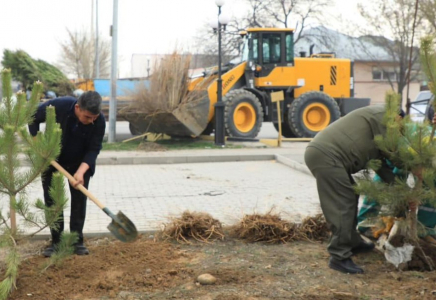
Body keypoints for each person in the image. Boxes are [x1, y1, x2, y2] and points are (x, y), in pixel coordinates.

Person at [304, 105, 403, 274]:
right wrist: (414, 167)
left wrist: (401, 188)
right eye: (401, 127)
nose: (400, 132)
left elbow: (381, 166)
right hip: (327, 155)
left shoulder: (377, 131)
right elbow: (393, 152)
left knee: (350, 194)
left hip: (328, 156)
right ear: (398, 117)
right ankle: (339, 256)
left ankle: (353, 242)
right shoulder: (383, 115)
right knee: (342, 205)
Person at [29, 91, 106, 257]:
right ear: (78, 108)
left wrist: (81, 171)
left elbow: (94, 149)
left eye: (94, 117)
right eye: (87, 117)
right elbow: (32, 116)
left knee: (79, 200)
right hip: (52, 158)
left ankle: (76, 241)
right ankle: (56, 242)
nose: (91, 121)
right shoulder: (59, 106)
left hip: (80, 162)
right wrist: (38, 144)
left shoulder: (99, 121)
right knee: (53, 200)